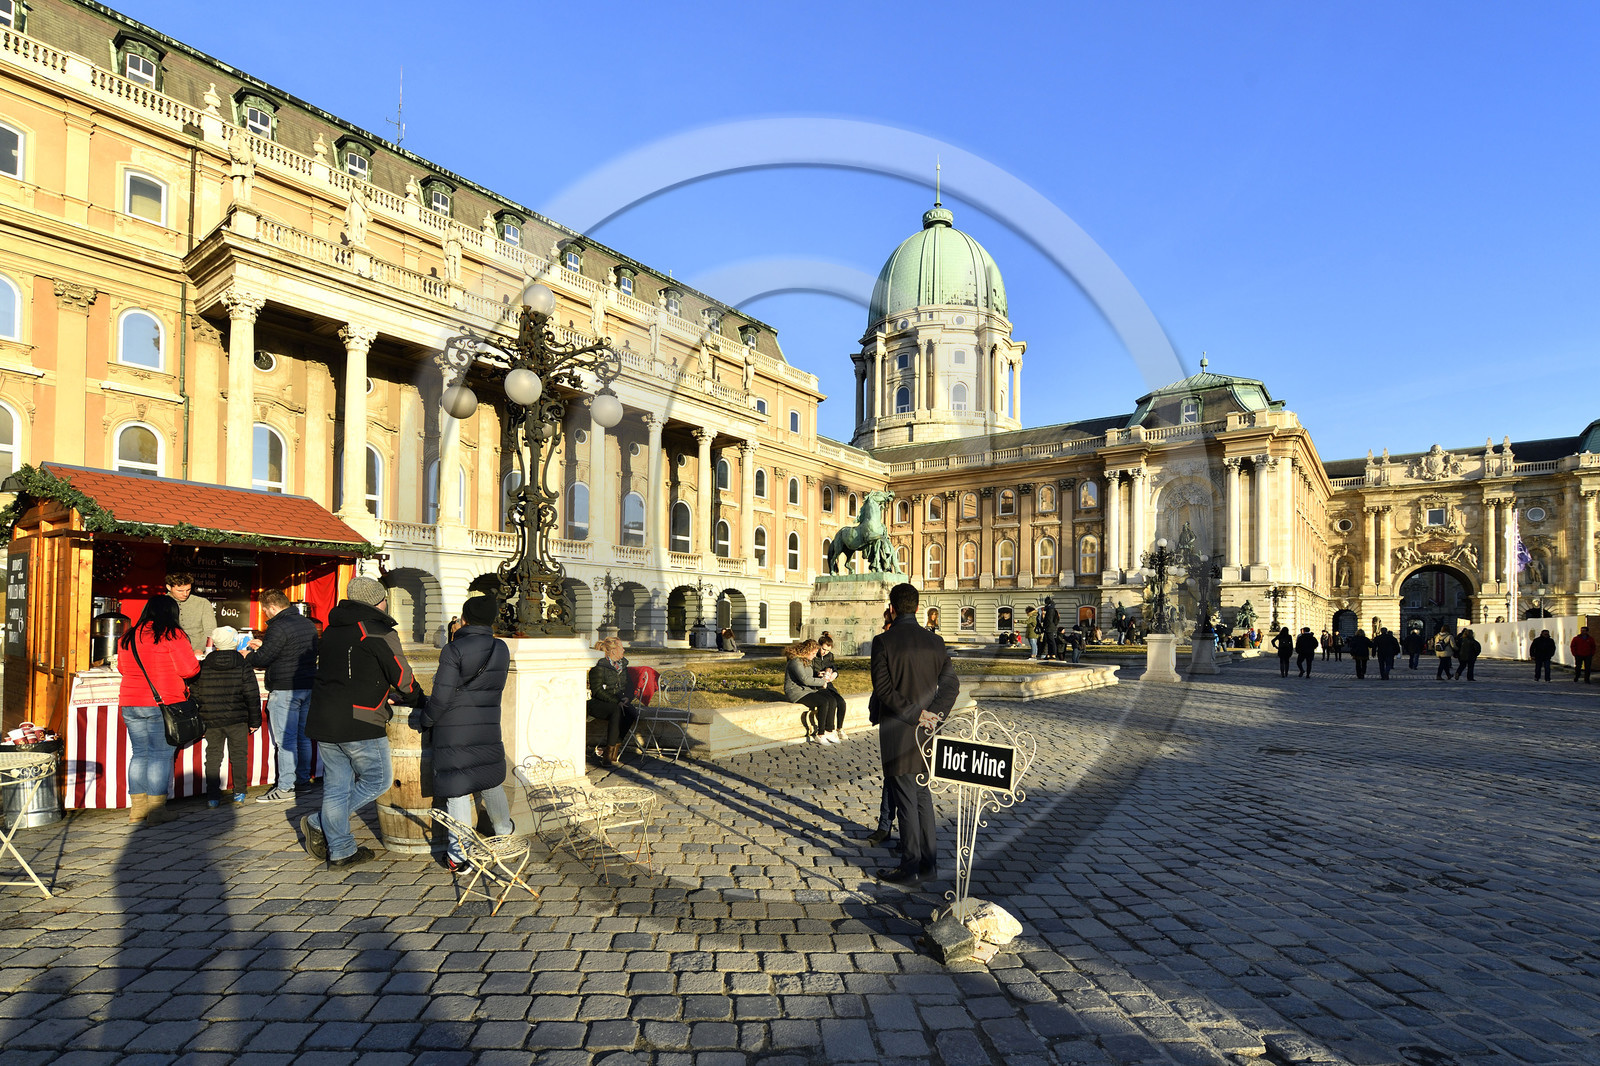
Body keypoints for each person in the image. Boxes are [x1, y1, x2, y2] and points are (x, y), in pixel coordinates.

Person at [302, 576, 423, 870]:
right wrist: (414, 696)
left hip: (324, 717)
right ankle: (319, 821)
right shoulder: (376, 631)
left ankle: (342, 850)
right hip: (360, 718)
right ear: (379, 601)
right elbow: (402, 677)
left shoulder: (332, 629)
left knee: (336, 787)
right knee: (377, 780)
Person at [870, 582, 959, 887]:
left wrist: (916, 714)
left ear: (892, 608)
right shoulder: (935, 642)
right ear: (918, 608)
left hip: (899, 731)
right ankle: (929, 865)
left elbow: (883, 691)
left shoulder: (883, 641)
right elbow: (951, 686)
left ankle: (909, 867)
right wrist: (934, 715)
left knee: (906, 799)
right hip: (928, 731)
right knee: (921, 796)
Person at [422, 596, 514, 870]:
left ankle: (459, 856)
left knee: (458, 789)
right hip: (487, 722)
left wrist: (426, 720)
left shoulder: (454, 650)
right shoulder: (501, 647)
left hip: (455, 728)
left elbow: (440, 697)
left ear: (465, 618)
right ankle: (504, 833)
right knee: (490, 777)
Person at [118, 596, 201, 825]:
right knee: (160, 756)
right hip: (163, 703)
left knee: (139, 754)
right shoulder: (173, 635)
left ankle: (137, 810)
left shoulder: (128, 635)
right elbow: (189, 669)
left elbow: (122, 668)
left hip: (130, 702)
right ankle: (157, 810)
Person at [245, 590, 320, 803]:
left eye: (265, 611)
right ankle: (302, 782)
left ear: (272, 607)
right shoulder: (306, 623)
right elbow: (294, 650)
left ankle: (285, 787)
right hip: (307, 685)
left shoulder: (278, 626)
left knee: (285, 740)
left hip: (285, 688)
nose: (265, 615)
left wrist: (249, 655)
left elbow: (265, 658)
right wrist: (265, 646)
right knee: (303, 737)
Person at [190, 626, 261, 806]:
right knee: (238, 756)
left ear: (214, 643)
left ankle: (213, 796)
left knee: (213, 757)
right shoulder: (243, 663)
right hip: (237, 720)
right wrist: (255, 721)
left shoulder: (203, 665)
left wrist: (200, 720)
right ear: (236, 642)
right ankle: (239, 793)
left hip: (211, 720)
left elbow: (195, 695)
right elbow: (251, 694)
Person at [587, 637, 641, 764]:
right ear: (613, 651)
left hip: (618, 701)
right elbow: (597, 691)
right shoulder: (599, 666)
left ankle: (615, 748)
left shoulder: (622, 665)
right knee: (616, 711)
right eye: (621, 647)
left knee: (631, 712)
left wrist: (627, 697)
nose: (624, 650)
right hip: (598, 703)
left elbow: (629, 685)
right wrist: (617, 701)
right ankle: (608, 755)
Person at [786, 639, 845, 744]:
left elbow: (809, 675)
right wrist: (822, 682)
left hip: (807, 689)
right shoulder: (796, 661)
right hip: (796, 692)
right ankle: (820, 734)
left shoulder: (806, 660)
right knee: (823, 702)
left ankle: (829, 730)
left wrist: (819, 674)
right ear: (806, 651)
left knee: (831, 699)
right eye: (813, 653)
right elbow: (804, 679)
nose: (814, 656)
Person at [166, 571, 218, 656]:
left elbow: (210, 630)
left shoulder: (202, 603)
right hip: (168, 653)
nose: (185, 594)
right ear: (169, 587)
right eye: (180, 591)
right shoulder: (159, 603)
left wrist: (199, 649)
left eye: (188, 590)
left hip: (197, 653)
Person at [814, 633, 845, 740]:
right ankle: (828, 729)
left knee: (841, 702)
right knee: (832, 702)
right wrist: (818, 674)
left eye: (827, 650)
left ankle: (839, 728)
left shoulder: (829, 655)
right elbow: (810, 671)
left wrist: (834, 674)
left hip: (828, 683)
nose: (825, 652)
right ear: (819, 646)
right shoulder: (814, 656)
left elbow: (833, 667)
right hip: (817, 684)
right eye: (823, 649)